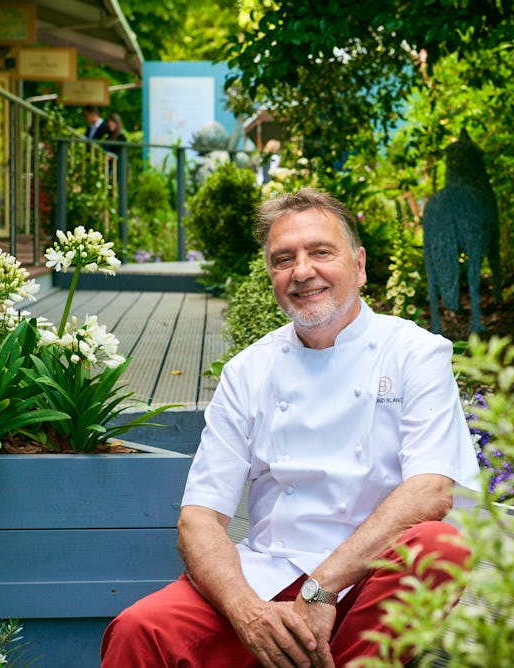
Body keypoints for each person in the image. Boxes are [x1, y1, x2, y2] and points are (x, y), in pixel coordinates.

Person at [100, 187, 480, 667]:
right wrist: (248, 613)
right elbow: (198, 520)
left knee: (438, 547)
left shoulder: (414, 353)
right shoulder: (248, 370)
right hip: (268, 578)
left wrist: (322, 588)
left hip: (368, 584)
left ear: (359, 266)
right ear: (272, 276)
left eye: (321, 252)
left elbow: (430, 492)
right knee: (140, 630)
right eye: (284, 259)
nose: (302, 271)